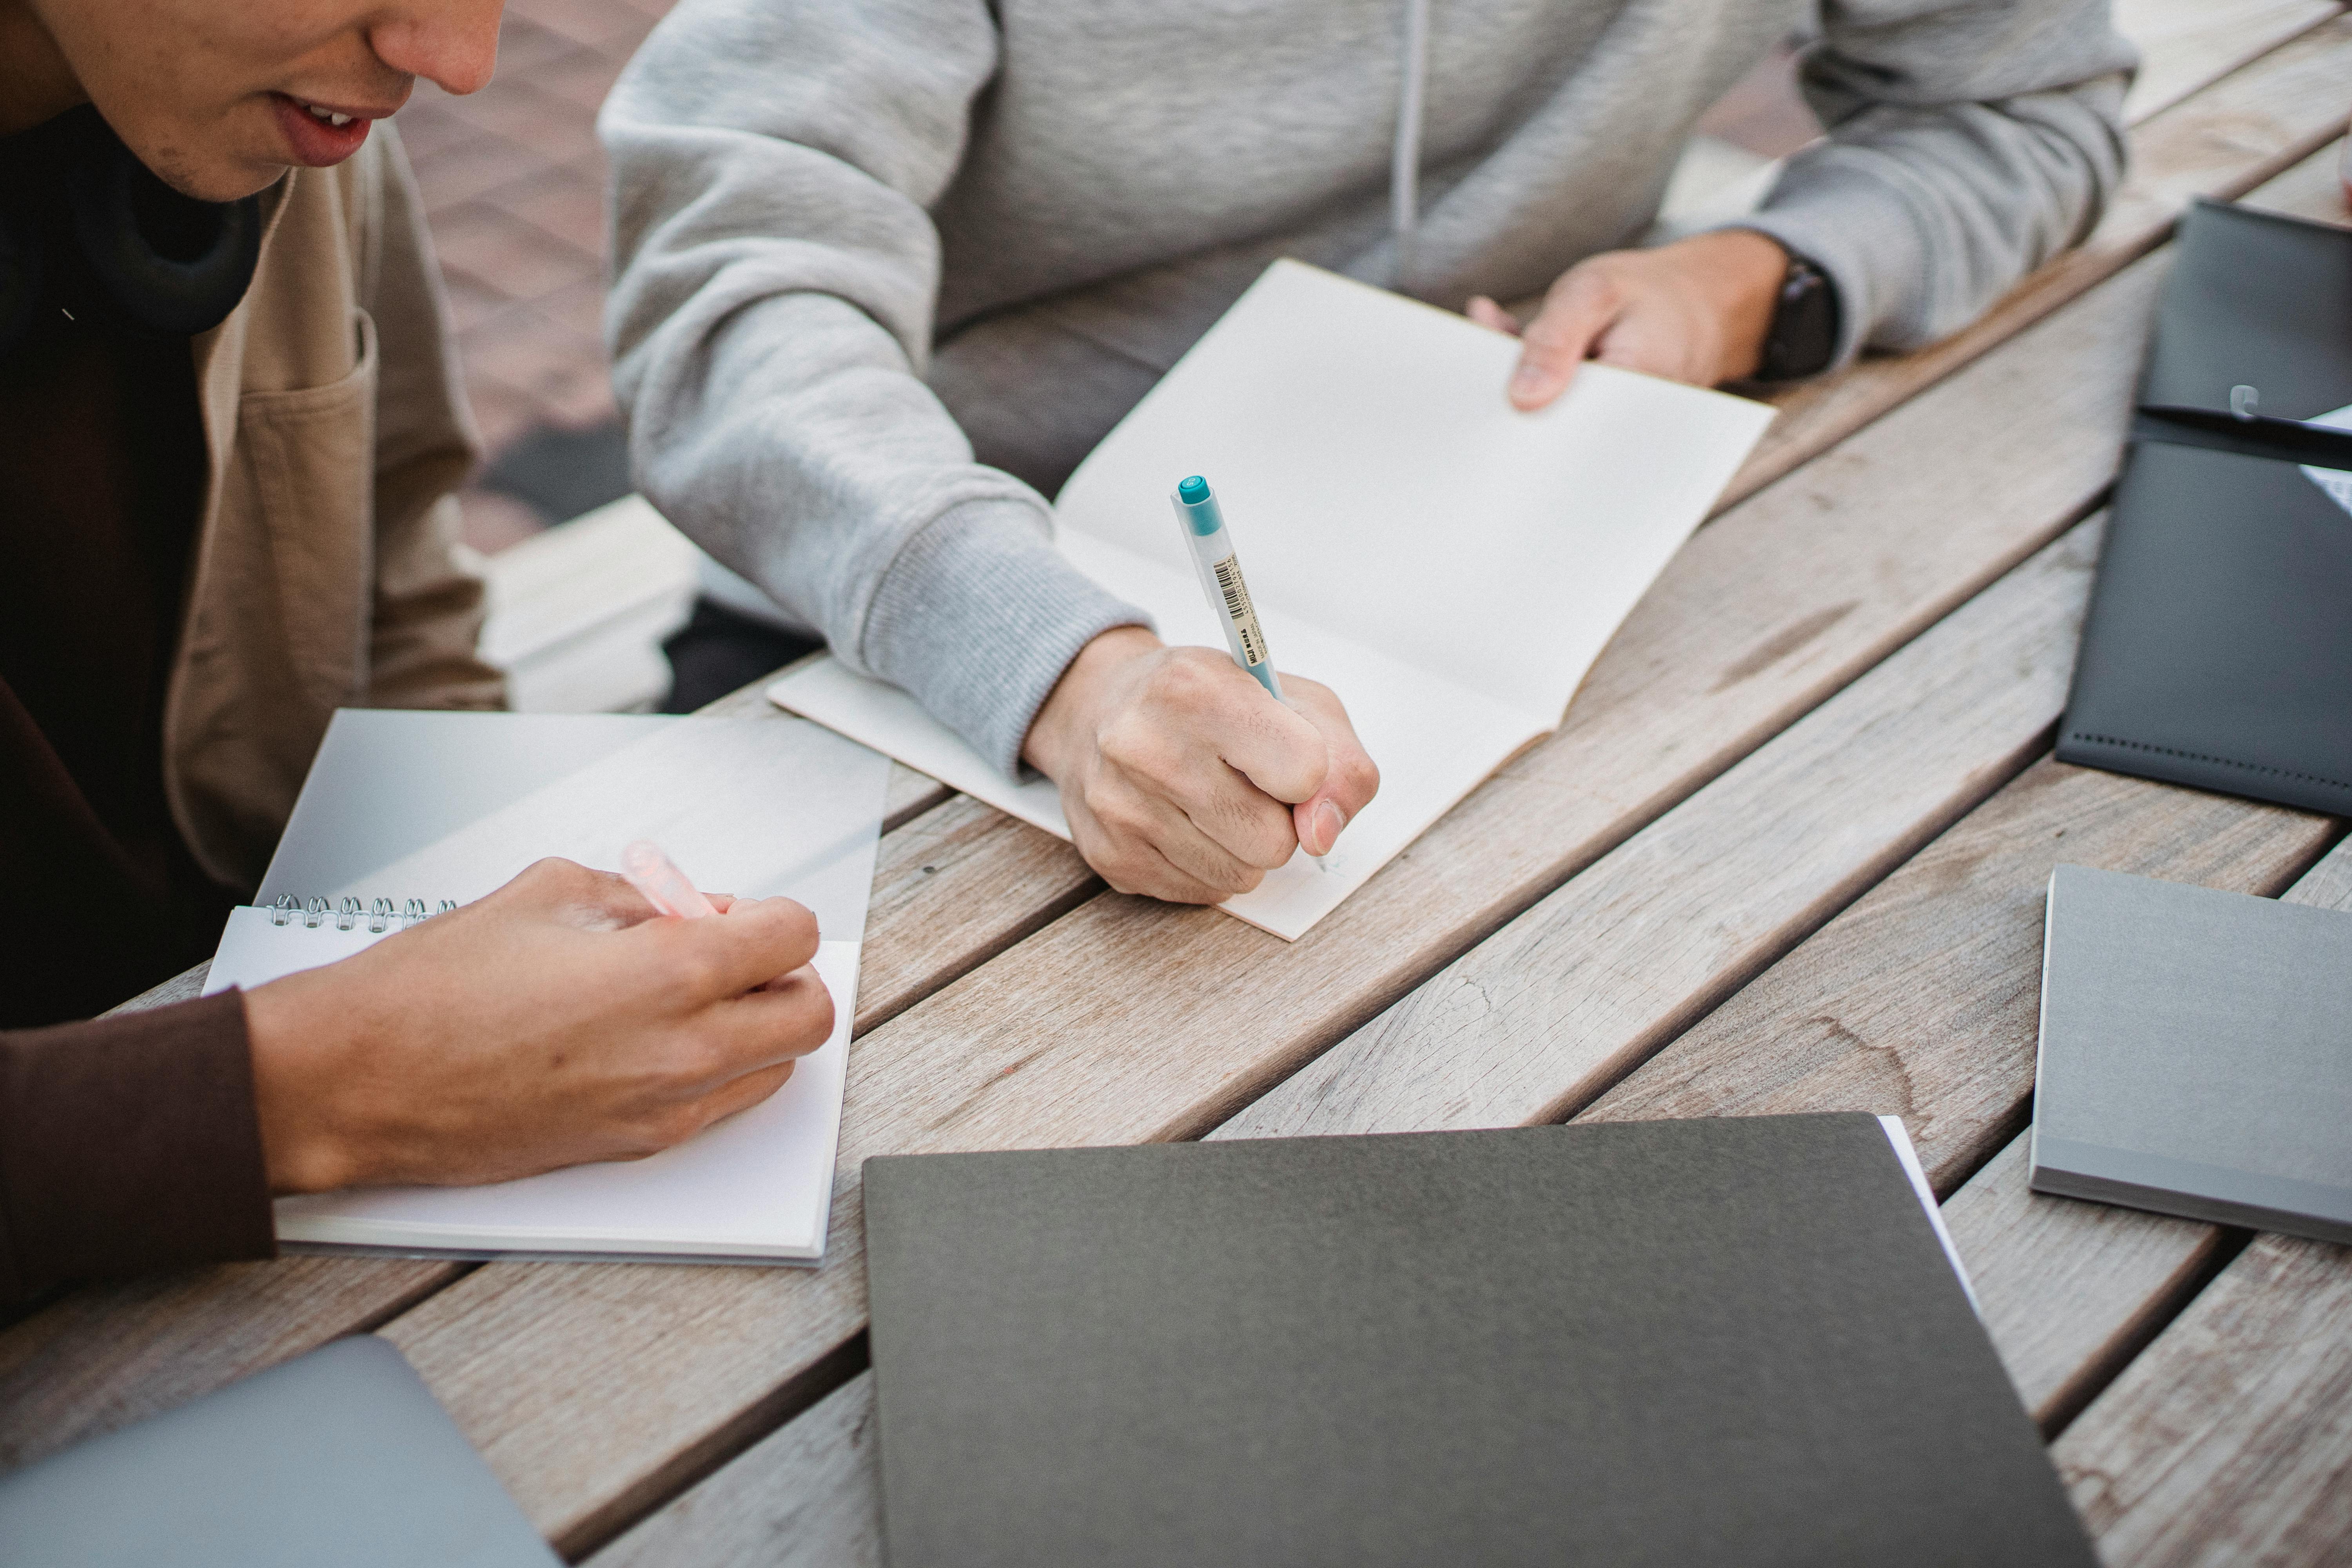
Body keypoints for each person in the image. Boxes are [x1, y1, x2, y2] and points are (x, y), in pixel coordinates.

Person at [602, 0, 2133, 905]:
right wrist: (1061, 669)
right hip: (919, 622)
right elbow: (733, 289)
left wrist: (1741, 287)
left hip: (1507, 587)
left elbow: (2026, 111)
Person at [0, 0, 834, 1298]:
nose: (457, 60)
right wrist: (318, 1090)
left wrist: (482, 907)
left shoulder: (290, 121)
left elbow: (400, 581)